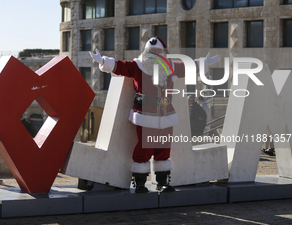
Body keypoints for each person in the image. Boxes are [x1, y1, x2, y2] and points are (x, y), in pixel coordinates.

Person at [89, 37, 219, 193]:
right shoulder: (138, 66)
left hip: (166, 114)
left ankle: (162, 181)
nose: (154, 55)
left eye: (157, 52)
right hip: (146, 114)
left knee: (164, 148)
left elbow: (188, 67)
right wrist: (103, 60)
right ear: (145, 52)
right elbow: (120, 66)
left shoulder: (171, 67)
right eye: (151, 52)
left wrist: (203, 63)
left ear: (163, 53)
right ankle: (140, 182)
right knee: (144, 148)